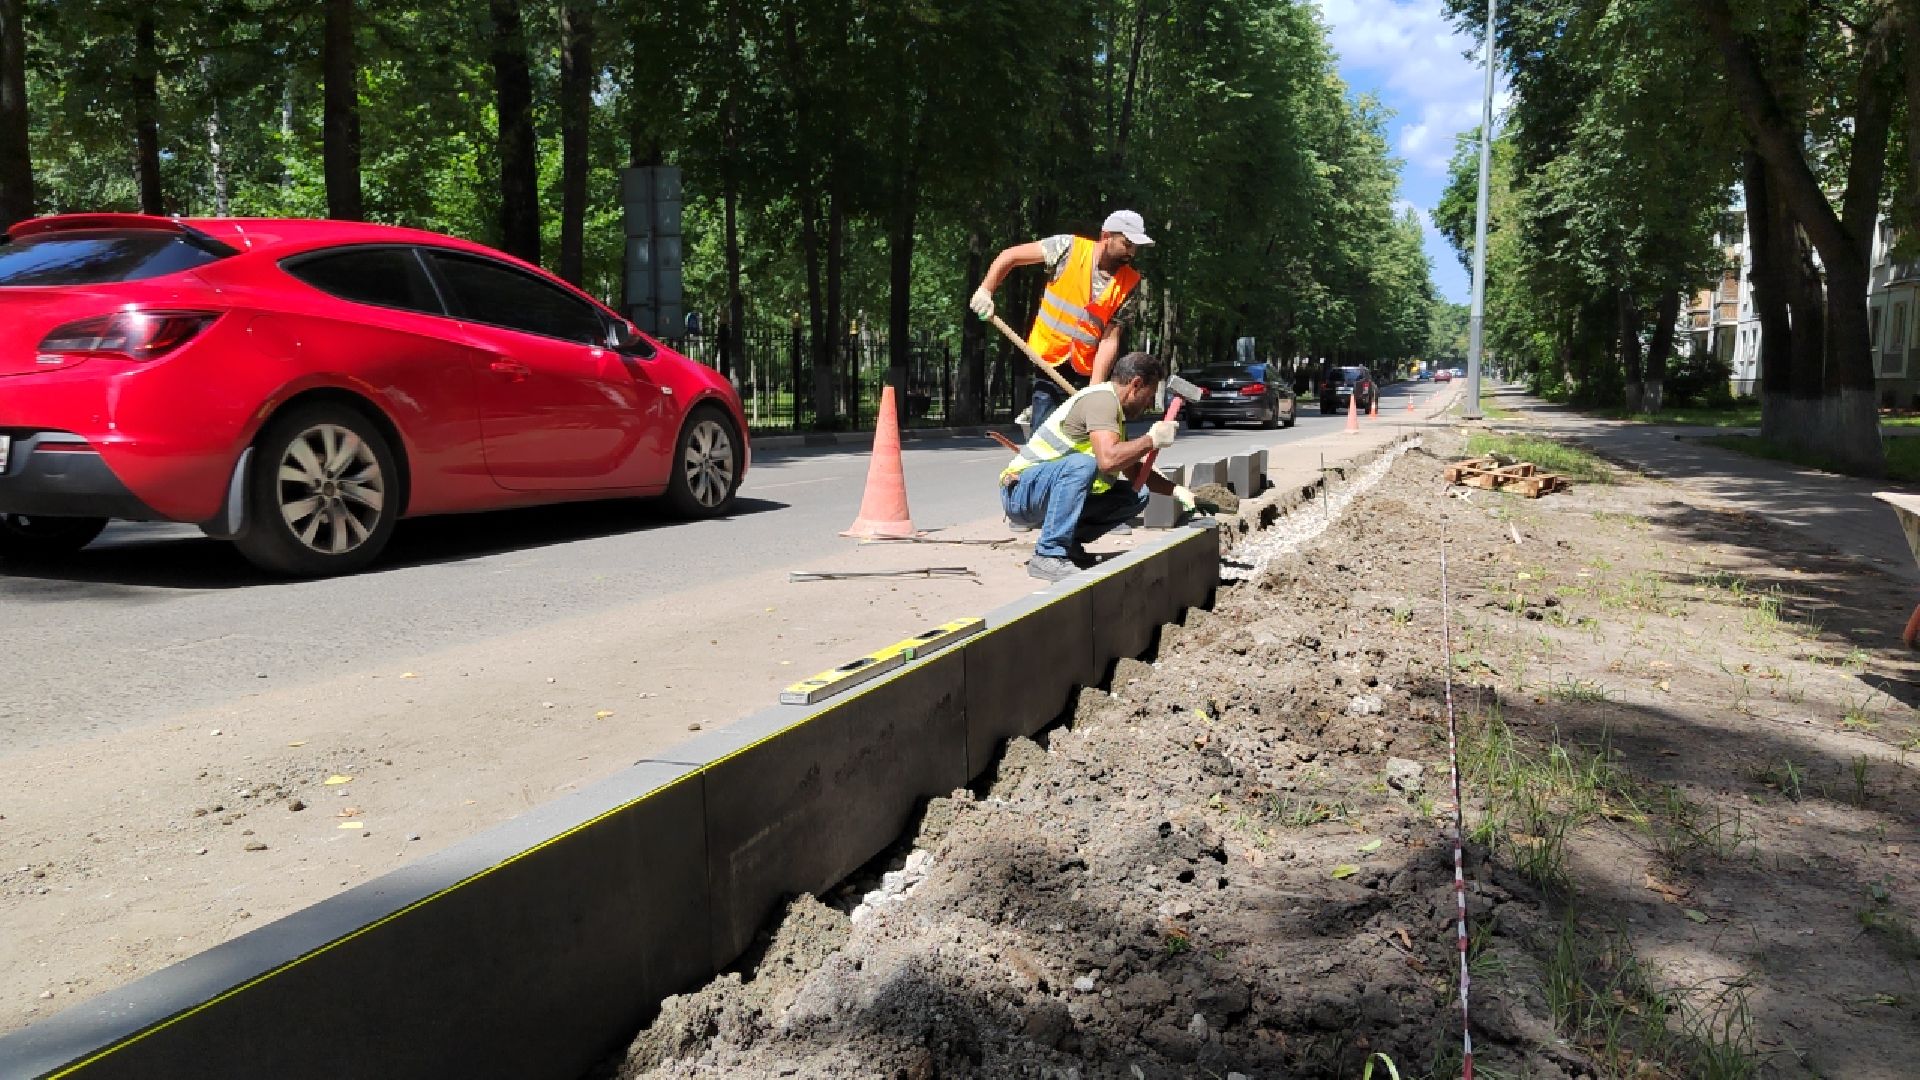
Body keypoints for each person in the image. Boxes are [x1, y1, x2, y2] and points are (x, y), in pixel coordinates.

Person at [998, 351, 1198, 582]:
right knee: (1083, 464)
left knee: (1136, 495)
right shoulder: (1102, 402)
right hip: (1021, 492)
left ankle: (1068, 546)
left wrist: (1177, 491)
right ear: (1136, 384)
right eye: (1149, 395)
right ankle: (1048, 554)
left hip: (1042, 492)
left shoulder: (1114, 411)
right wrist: (1150, 440)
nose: (1148, 403)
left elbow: (1135, 472)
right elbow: (1108, 460)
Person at [969, 210, 1152, 433]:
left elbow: (1109, 339)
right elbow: (1010, 256)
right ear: (1106, 236)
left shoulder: (1129, 282)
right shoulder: (1068, 248)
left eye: (1135, 246)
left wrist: (1093, 390)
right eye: (1127, 244)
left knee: (1080, 438)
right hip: (1049, 361)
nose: (1131, 252)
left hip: (1085, 370)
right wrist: (986, 290)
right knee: (1044, 435)